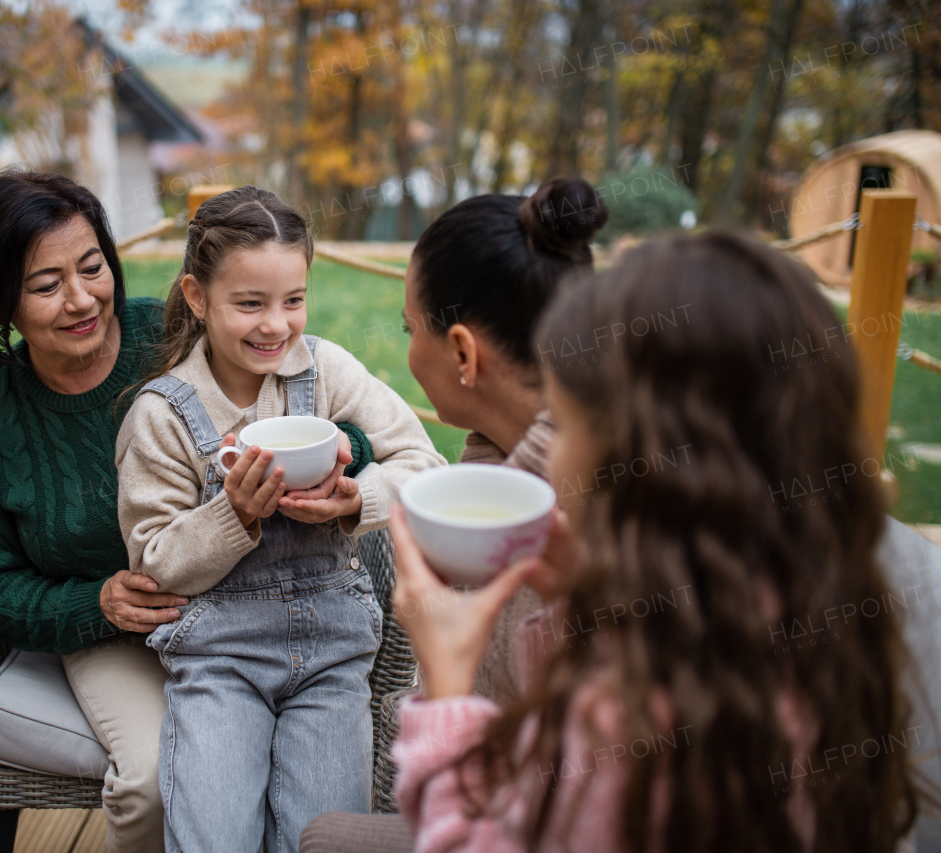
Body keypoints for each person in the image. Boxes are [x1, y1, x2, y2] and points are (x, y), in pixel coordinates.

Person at [387, 231, 926, 852]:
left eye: (561, 425)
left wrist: (448, 688)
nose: (548, 451)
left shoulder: (624, 722)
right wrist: (585, 606)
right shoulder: (812, 612)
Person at [0, 171, 372, 853]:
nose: (82, 298)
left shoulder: (172, 333)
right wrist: (98, 601)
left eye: (92, 268)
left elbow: (299, 390)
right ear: (0, 303)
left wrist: (351, 452)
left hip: (240, 602)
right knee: (150, 778)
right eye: (46, 285)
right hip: (116, 627)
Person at [114, 185, 446, 853]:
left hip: (332, 656)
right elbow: (152, 559)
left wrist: (356, 498)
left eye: (293, 300)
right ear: (198, 297)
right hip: (218, 661)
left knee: (319, 839)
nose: (276, 324)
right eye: (250, 303)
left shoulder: (324, 371)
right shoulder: (161, 414)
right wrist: (232, 513)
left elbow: (426, 464)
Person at [400, 177, 608, 707]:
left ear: (463, 355)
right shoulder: (508, 463)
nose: (410, 351)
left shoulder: (584, 518)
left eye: (410, 330)